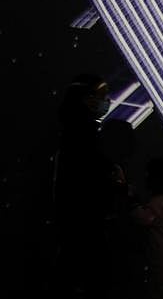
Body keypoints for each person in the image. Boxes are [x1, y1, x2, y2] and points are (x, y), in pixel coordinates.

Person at [52, 73, 115, 298]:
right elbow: (89, 174)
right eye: (101, 95)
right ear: (86, 98)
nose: (106, 101)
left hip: (76, 215)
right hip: (84, 215)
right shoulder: (82, 133)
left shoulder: (73, 130)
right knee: (90, 271)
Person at [131, 158, 163, 299]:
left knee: (159, 289)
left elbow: (144, 218)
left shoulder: (159, 201)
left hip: (162, 252)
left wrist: (132, 203)